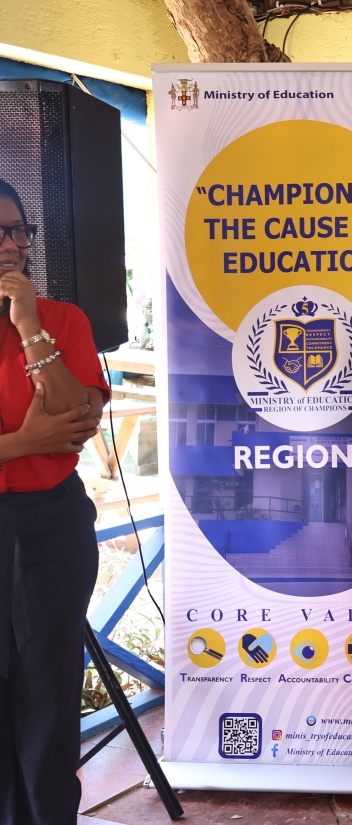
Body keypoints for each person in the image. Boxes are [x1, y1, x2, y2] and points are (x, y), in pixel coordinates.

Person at [0, 178, 107, 825]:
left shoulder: (64, 318)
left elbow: (73, 418)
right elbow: (43, 432)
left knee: (47, 701)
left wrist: (30, 326)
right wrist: (19, 442)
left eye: (20, 230)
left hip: (51, 529)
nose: (13, 243)